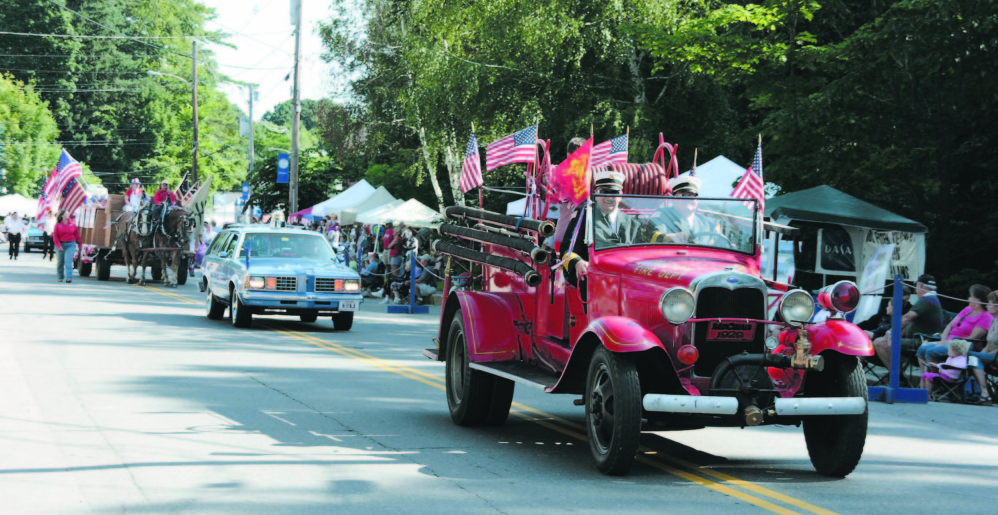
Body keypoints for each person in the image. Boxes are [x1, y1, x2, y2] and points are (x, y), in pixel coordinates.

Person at [561, 171, 639, 285]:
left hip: (625, 281)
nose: (609, 197)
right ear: (596, 195)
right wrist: (578, 263)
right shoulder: (584, 215)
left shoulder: (631, 223)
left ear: (621, 196)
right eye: (604, 192)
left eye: (614, 193)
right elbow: (566, 250)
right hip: (593, 280)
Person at [872, 274, 945, 373]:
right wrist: (894, 335)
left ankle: (899, 378)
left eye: (916, 287)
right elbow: (910, 321)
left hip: (921, 341)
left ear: (920, 286)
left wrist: (889, 333)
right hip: (918, 339)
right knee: (883, 341)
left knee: (879, 342)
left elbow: (907, 318)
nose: (916, 290)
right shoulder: (931, 299)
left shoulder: (927, 300)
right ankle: (898, 372)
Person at [916, 284, 993, 371]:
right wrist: (943, 340)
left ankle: (936, 380)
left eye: (971, 296)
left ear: (977, 301)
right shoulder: (967, 309)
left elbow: (972, 338)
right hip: (948, 341)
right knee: (921, 349)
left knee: (931, 351)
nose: (968, 298)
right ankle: (925, 378)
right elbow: (949, 325)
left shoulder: (986, 317)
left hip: (962, 345)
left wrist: (948, 343)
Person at [650, 173, 723, 245]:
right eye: (683, 195)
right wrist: (667, 238)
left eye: (692, 195)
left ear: (697, 199)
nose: (687, 199)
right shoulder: (663, 216)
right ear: (673, 199)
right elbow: (650, 234)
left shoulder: (708, 223)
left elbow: (720, 243)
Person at [53, 210, 82, 283]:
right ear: (62, 215)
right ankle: (60, 276)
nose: (68, 215)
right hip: (60, 244)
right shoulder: (58, 225)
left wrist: (80, 244)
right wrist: (59, 246)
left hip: (70, 244)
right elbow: (55, 236)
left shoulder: (72, 224)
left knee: (68, 261)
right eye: (66, 214)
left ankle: (69, 278)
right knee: (60, 262)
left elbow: (77, 236)